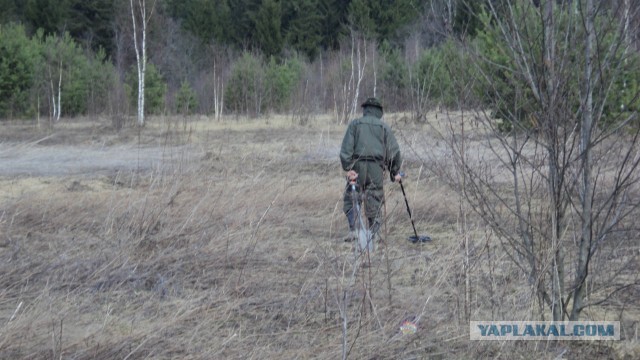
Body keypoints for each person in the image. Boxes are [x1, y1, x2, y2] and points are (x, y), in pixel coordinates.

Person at [340, 97, 402, 242]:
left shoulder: (355, 125)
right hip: (376, 167)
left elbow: (346, 148)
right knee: (374, 197)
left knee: (352, 197)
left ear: (366, 109)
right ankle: (374, 232)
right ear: (379, 111)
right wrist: (395, 171)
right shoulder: (383, 127)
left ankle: (354, 231)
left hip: (357, 167)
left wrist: (348, 168)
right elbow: (393, 152)